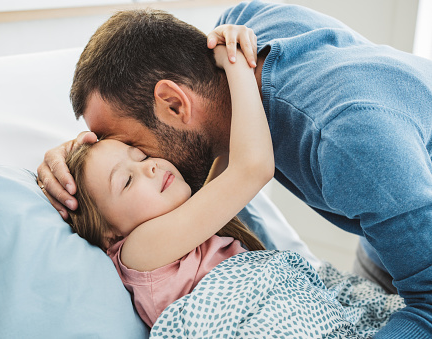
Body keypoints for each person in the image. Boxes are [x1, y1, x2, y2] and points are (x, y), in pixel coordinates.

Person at [37, 2, 432, 337]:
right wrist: (79, 168)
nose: (150, 167)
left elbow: (427, 306)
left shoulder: (353, 143)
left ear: (174, 104)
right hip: (398, 218)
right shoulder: (240, 29)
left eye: (132, 146)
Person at [66, 44, 273, 327]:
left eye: (141, 155)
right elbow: (252, 168)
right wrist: (236, 64)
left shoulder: (179, 234)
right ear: (108, 234)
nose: (150, 166)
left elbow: (228, 153)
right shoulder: (138, 250)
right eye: (126, 180)